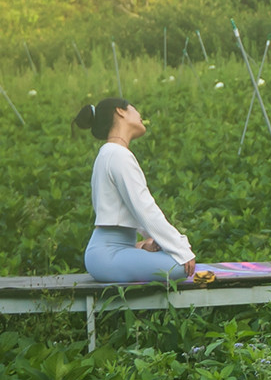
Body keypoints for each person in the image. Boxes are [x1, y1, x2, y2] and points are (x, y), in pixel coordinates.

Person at [74, 97, 197, 283]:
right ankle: (140, 248)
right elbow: (144, 208)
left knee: (172, 254)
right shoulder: (118, 154)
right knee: (180, 267)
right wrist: (181, 249)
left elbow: (133, 210)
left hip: (106, 252)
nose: (140, 115)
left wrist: (154, 241)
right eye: (135, 109)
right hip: (108, 255)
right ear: (120, 111)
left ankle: (138, 247)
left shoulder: (108, 153)